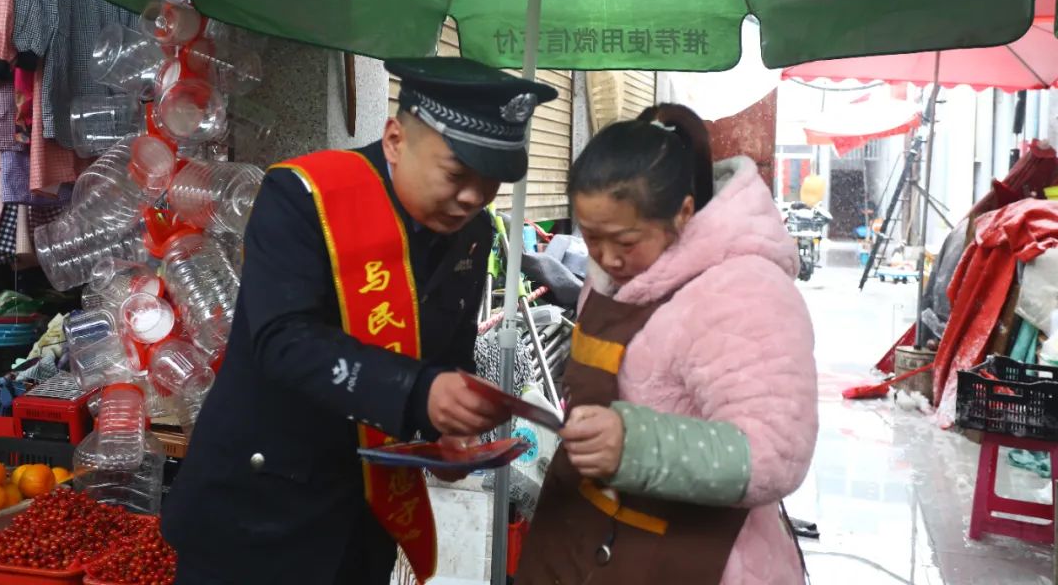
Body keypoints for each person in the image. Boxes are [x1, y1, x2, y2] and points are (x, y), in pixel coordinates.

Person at [162, 57, 558, 585]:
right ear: (395, 139)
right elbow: (283, 341)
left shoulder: (472, 233)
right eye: (457, 174)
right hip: (258, 511)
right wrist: (419, 393)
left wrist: (446, 430)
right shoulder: (305, 197)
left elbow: (446, 357)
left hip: (363, 518)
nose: (473, 198)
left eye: (492, 181)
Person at [515, 104, 818, 585]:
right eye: (592, 238)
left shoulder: (745, 292)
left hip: (691, 560)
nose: (606, 258)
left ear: (683, 214)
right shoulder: (618, 274)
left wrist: (633, 444)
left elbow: (774, 451)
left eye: (625, 241)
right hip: (589, 539)